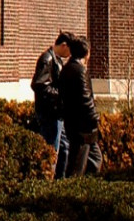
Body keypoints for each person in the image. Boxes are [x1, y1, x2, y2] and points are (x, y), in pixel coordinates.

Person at [59, 35, 102, 175]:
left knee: (94, 159)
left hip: (74, 123)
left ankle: (86, 186)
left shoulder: (67, 68)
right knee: (78, 164)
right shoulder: (79, 70)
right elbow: (85, 99)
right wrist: (95, 118)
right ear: (86, 52)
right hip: (83, 127)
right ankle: (74, 189)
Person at [32, 32, 71, 175]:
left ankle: (60, 179)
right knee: (52, 150)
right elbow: (39, 85)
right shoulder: (47, 59)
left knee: (64, 147)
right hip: (50, 113)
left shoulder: (58, 60)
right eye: (69, 50)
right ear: (63, 45)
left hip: (58, 112)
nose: (70, 54)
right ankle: (49, 178)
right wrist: (60, 94)